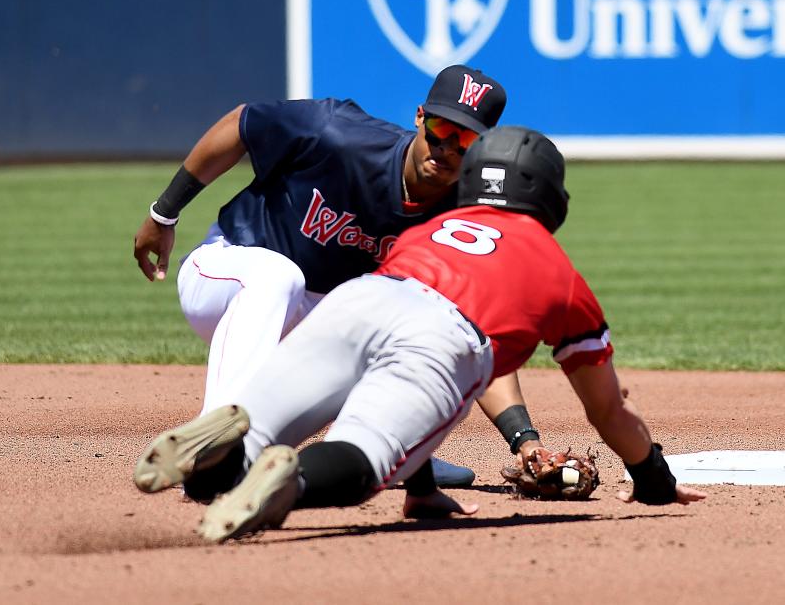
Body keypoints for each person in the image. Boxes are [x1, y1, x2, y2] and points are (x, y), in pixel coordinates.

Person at [132, 126, 707, 543]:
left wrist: (424, 485)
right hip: (444, 340)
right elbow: (607, 413)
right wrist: (652, 477)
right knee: (363, 455)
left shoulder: (434, 227)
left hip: (356, 300)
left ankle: (228, 451)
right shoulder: (561, 276)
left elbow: (395, 325)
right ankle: (292, 485)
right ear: (549, 197)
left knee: (235, 461)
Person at [131, 65, 546, 487]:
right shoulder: (338, 133)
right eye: (441, 127)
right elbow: (242, 122)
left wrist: (526, 442)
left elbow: (472, 331)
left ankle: (394, 451)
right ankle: (213, 447)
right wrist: (164, 212)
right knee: (279, 277)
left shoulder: (460, 217)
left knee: (419, 330)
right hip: (227, 275)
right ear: (420, 117)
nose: (446, 147)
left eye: (466, 140)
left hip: (314, 325)